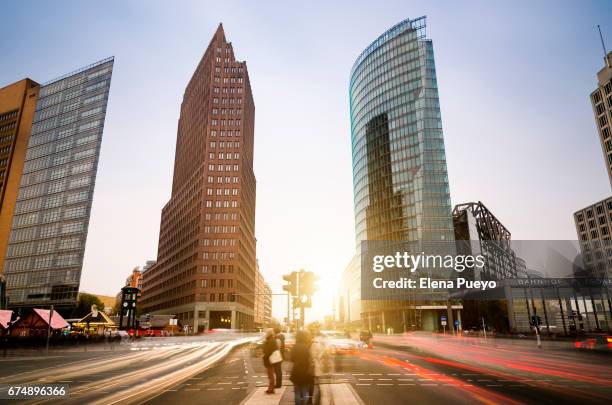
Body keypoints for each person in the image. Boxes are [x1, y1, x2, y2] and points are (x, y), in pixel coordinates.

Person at [290, 331, 313, 405]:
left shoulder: (294, 346)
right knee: (305, 391)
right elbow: (310, 359)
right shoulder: (308, 347)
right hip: (306, 371)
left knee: (297, 392)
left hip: (296, 371)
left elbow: (292, 359)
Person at [262, 328, 278, 394]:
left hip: (269, 360)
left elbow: (269, 351)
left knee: (270, 375)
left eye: (266, 332)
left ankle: (271, 389)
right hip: (270, 359)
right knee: (270, 375)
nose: (265, 333)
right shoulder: (270, 339)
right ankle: (271, 388)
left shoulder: (270, 340)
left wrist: (264, 356)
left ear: (269, 333)